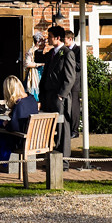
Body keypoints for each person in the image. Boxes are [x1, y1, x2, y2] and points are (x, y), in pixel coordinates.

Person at [38, 25, 76, 168]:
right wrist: (40, 48)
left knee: (62, 129)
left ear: (57, 38)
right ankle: (51, 159)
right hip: (48, 95)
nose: (47, 39)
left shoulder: (67, 53)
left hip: (59, 97)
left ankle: (63, 161)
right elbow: (39, 59)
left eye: (49, 37)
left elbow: (70, 77)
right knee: (50, 128)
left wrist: (61, 95)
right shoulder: (51, 54)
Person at [64, 30, 82, 138]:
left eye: (64, 39)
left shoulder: (78, 50)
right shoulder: (64, 50)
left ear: (70, 39)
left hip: (75, 82)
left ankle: (74, 130)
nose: (62, 41)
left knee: (74, 106)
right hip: (65, 82)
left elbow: (80, 66)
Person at [24, 32, 46, 102]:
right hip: (34, 74)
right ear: (38, 42)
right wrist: (40, 64)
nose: (44, 43)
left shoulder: (42, 51)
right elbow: (27, 64)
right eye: (42, 40)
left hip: (41, 73)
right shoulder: (31, 51)